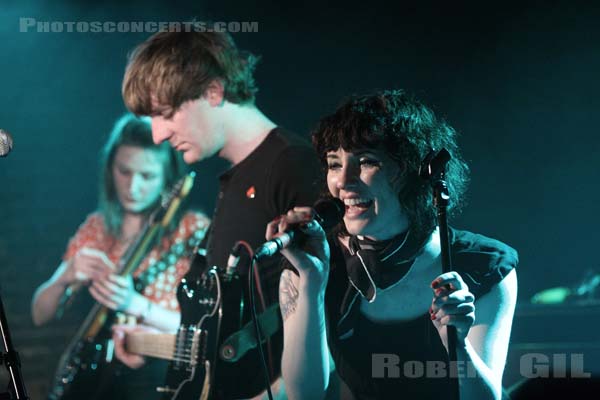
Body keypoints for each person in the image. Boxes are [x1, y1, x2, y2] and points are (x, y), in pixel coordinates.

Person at [268, 90, 519, 400]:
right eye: (334, 164)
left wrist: (459, 345)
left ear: (415, 172)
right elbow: (304, 396)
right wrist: (311, 285)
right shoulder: (312, 258)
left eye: (367, 162)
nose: (343, 182)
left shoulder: (484, 265)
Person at [113, 31, 321, 399]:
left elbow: (330, 319)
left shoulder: (292, 166)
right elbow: (225, 332)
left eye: (164, 114)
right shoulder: (234, 180)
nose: (159, 136)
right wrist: (144, 342)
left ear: (213, 91)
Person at [31, 113, 210, 400]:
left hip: (164, 382)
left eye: (147, 176)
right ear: (110, 168)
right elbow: (40, 315)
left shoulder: (194, 230)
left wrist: (135, 304)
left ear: (168, 177)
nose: (133, 186)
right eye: (124, 171)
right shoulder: (97, 228)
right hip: (98, 384)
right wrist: (64, 277)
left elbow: (204, 331)